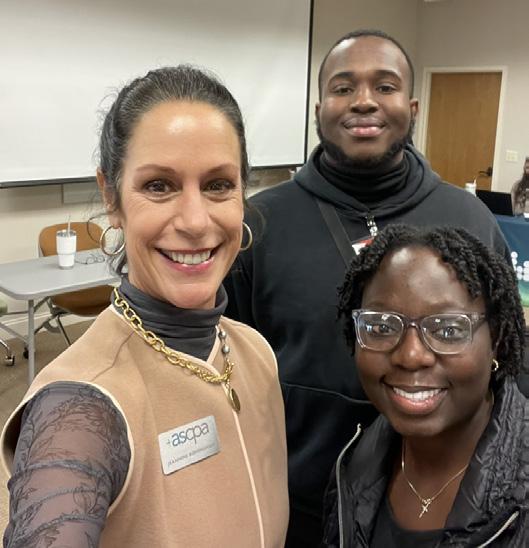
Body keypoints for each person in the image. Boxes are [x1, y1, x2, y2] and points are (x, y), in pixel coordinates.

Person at [224, 29, 510, 546]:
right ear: (319, 110)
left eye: (385, 86)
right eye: (343, 87)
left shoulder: (469, 219)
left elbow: (508, 363)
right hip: (294, 505)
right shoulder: (258, 225)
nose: (363, 101)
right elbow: (227, 370)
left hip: (442, 512)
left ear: (412, 107)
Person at [1, 66, 289, 547]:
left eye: (218, 184)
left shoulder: (255, 352)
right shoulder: (80, 403)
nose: (195, 221)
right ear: (111, 198)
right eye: (159, 185)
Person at [323, 224, 528, 546]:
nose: (411, 356)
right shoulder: (353, 465)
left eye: (448, 330)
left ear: (497, 340)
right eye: (381, 327)